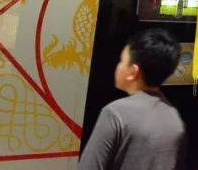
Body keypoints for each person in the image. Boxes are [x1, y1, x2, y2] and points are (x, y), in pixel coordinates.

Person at [78, 28, 186, 170]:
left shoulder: (115, 113)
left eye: (122, 61)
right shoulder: (175, 120)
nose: (118, 65)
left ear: (133, 72)